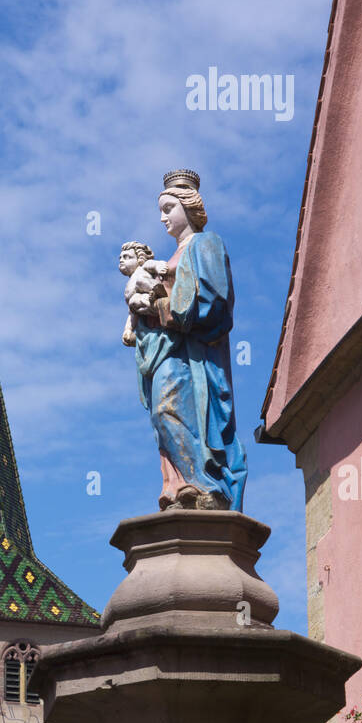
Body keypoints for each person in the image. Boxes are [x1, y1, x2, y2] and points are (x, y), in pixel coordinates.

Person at [127, 170, 247, 512]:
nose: (163, 217)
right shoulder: (166, 259)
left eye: (169, 208)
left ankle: (207, 486)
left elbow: (215, 302)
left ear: (189, 207)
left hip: (193, 359)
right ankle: (182, 488)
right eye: (161, 210)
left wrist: (162, 307)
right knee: (162, 416)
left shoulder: (206, 244)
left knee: (171, 410)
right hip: (166, 354)